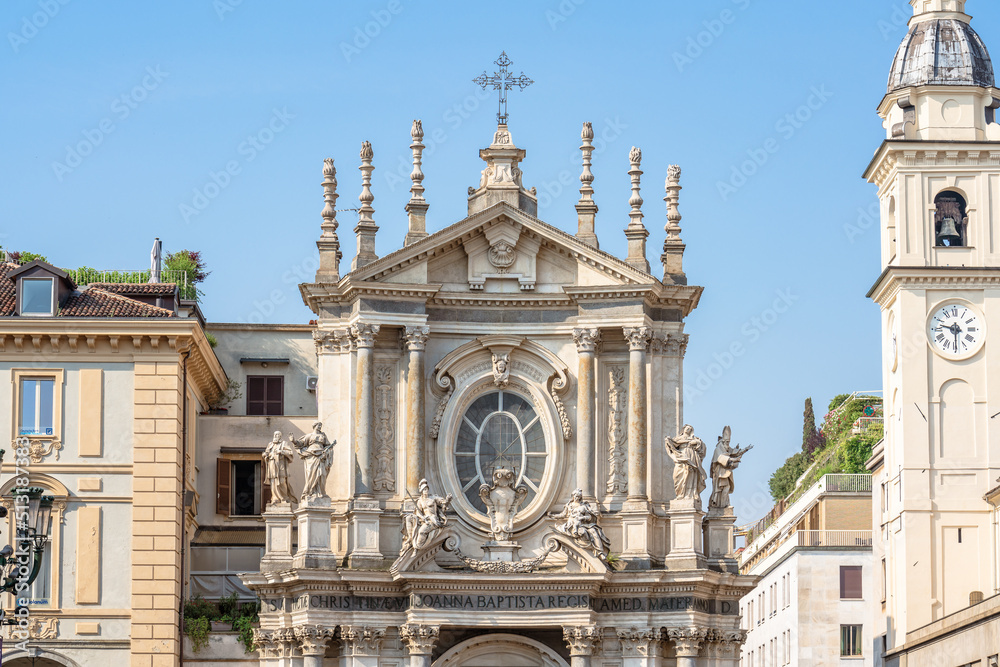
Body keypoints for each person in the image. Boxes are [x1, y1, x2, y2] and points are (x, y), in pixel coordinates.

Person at [550, 489, 611, 560]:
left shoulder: (584, 505)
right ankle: (588, 546)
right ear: (573, 496)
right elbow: (563, 515)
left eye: (579, 496)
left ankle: (600, 552)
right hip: (571, 525)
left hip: (583, 524)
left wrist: (583, 517)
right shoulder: (569, 505)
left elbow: (590, 517)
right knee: (582, 532)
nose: (577, 498)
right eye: (576, 496)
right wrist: (553, 516)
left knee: (594, 531)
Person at [401, 479, 453, 555]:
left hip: (433, 519)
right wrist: (423, 518)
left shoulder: (433, 498)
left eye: (427, 489)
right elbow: (418, 513)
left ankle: (417, 547)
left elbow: (443, 503)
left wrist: (448, 499)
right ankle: (412, 542)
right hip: (425, 519)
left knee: (422, 531)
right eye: (424, 489)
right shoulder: (420, 501)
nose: (426, 491)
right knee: (408, 517)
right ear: (421, 491)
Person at [709, 426, 753, 509]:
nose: (728, 444)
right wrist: (734, 459)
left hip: (726, 472)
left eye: (728, 442)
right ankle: (722, 505)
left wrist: (745, 449)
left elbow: (735, 452)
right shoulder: (718, 449)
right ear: (722, 441)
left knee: (726, 488)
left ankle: (724, 504)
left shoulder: (726, 449)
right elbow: (721, 458)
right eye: (726, 442)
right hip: (720, 474)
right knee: (722, 488)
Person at [291, 422, 335, 501]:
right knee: (311, 474)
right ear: (314, 426)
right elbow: (300, 443)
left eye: (320, 426)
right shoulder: (309, 436)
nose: (319, 427)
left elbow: (328, 446)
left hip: (321, 456)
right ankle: (310, 492)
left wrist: (327, 452)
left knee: (322, 474)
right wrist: (294, 441)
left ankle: (321, 492)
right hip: (311, 456)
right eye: (318, 425)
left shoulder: (323, 436)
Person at [665, 424, 707, 501]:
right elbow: (672, 444)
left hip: (692, 456)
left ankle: (689, 494)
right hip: (682, 456)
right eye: (687, 428)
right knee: (680, 475)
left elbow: (701, 446)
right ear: (683, 429)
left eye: (690, 429)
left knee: (691, 475)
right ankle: (680, 494)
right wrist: (668, 440)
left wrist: (696, 442)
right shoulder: (678, 439)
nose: (688, 430)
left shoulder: (694, 439)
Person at [262, 430, 295, 505]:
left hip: (281, 465)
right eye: (275, 434)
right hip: (272, 465)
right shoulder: (270, 444)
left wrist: (282, 452)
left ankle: (284, 497)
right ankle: (275, 498)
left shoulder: (284, 443)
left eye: (278, 435)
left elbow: (290, 453)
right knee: (273, 482)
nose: (276, 436)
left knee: (282, 481)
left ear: (280, 436)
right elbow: (266, 453)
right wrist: (265, 455)